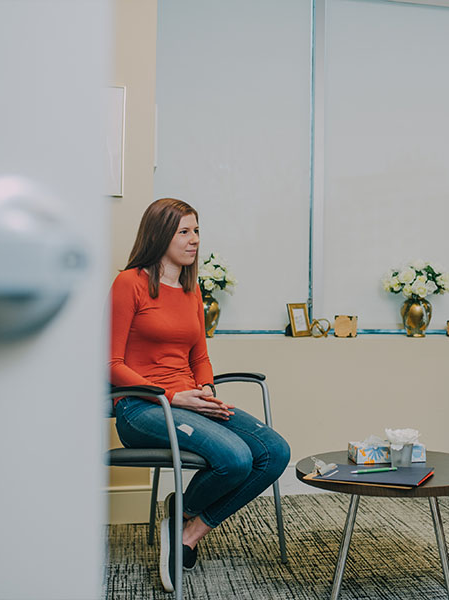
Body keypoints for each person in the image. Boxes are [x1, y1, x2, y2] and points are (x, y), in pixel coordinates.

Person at [109, 198, 290, 593]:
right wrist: (174, 396)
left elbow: (200, 356)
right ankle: (184, 517)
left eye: (197, 231)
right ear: (159, 236)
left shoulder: (191, 291)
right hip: (142, 406)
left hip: (190, 401)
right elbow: (111, 363)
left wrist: (206, 389)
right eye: (184, 232)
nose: (194, 241)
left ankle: (187, 528)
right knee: (236, 458)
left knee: (274, 452)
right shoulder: (130, 283)